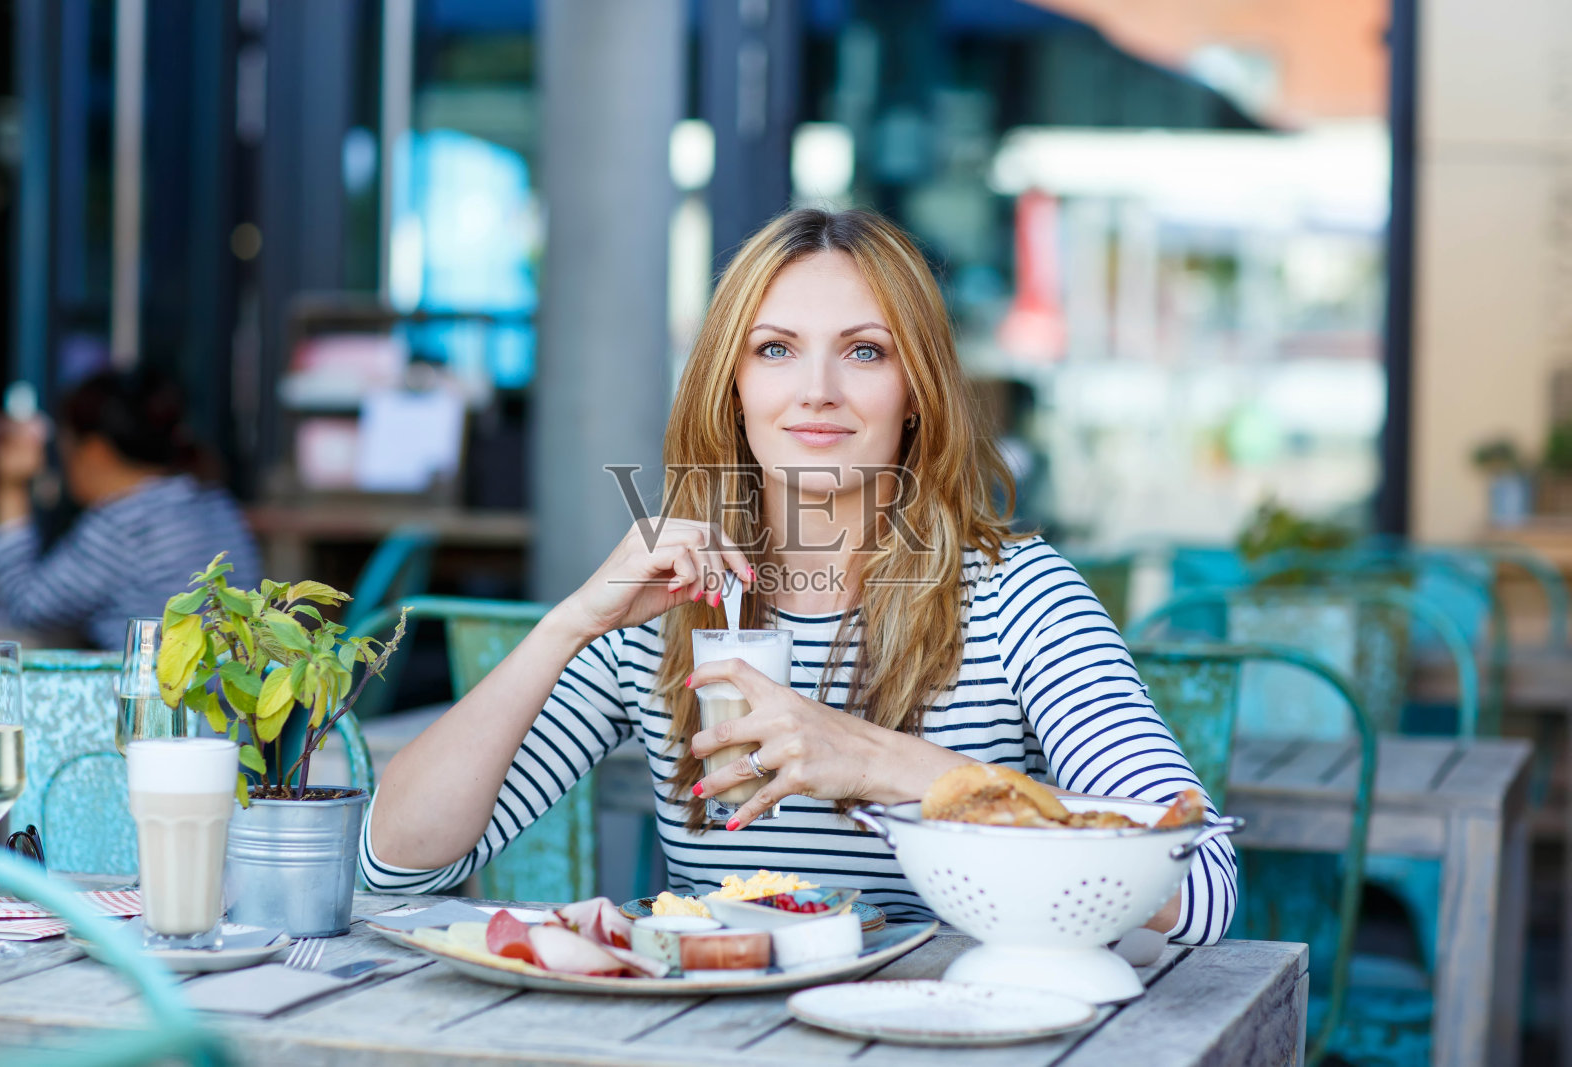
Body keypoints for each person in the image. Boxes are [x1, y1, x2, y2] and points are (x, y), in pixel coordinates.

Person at [362, 208, 1236, 944]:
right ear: (732, 386)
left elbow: (1198, 890)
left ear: (917, 391)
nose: (816, 390)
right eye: (775, 349)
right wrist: (566, 626)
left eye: (864, 352)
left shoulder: (1018, 596)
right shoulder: (675, 600)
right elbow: (398, 860)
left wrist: (887, 763)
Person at [0, 369, 260, 648]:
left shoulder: (125, 525)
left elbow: (28, 609)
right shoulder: (215, 502)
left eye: (65, 446)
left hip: (163, 693)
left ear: (95, 452)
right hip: (224, 690)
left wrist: (10, 487)